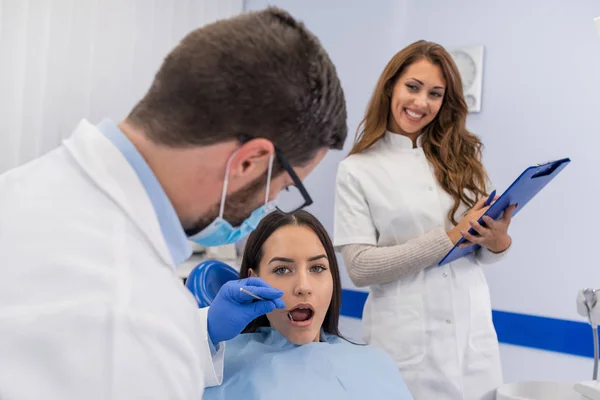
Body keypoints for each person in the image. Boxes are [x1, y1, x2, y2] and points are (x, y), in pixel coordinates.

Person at [0, 7, 347, 400]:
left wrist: (201, 332)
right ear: (249, 162)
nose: (269, 205)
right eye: (283, 187)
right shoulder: (138, 320)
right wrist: (177, 333)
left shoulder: (23, 187)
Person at [333, 40, 517, 400]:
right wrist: (447, 239)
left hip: (472, 339)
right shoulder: (357, 170)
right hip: (405, 349)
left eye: (435, 93)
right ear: (391, 87)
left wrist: (498, 242)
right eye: (412, 87)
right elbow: (359, 267)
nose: (421, 103)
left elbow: (482, 251)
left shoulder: (465, 160)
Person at [203, 210, 414, 400]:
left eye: (317, 268)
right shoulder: (216, 366)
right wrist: (207, 334)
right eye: (282, 270)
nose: (303, 287)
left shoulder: (375, 363)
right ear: (253, 279)